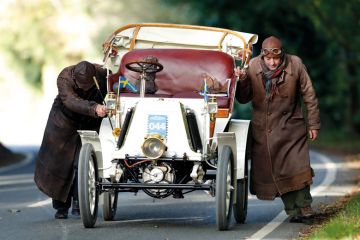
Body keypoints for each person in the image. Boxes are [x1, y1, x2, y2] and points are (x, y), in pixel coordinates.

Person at [235, 36, 321, 224]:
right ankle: (293, 211)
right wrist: (242, 80)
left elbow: (309, 94)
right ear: (263, 57)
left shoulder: (295, 64)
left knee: (298, 167)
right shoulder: (252, 66)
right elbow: (243, 98)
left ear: (282, 54)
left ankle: (305, 208)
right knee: (277, 172)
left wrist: (313, 124)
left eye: (276, 58)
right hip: (265, 131)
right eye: (269, 59)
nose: (273, 62)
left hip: (292, 127)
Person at [34, 61, 108, 219]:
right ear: (74, 77)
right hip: (63, 121)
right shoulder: (64, 77)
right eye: (81, 84)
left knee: (82, 163)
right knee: (60, 164)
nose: (83, 88)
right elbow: (70, 101)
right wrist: (94, 108)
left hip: (90, 121)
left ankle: (80, 203)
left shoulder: (101, 73)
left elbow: (118, 83)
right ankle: (61, 207)